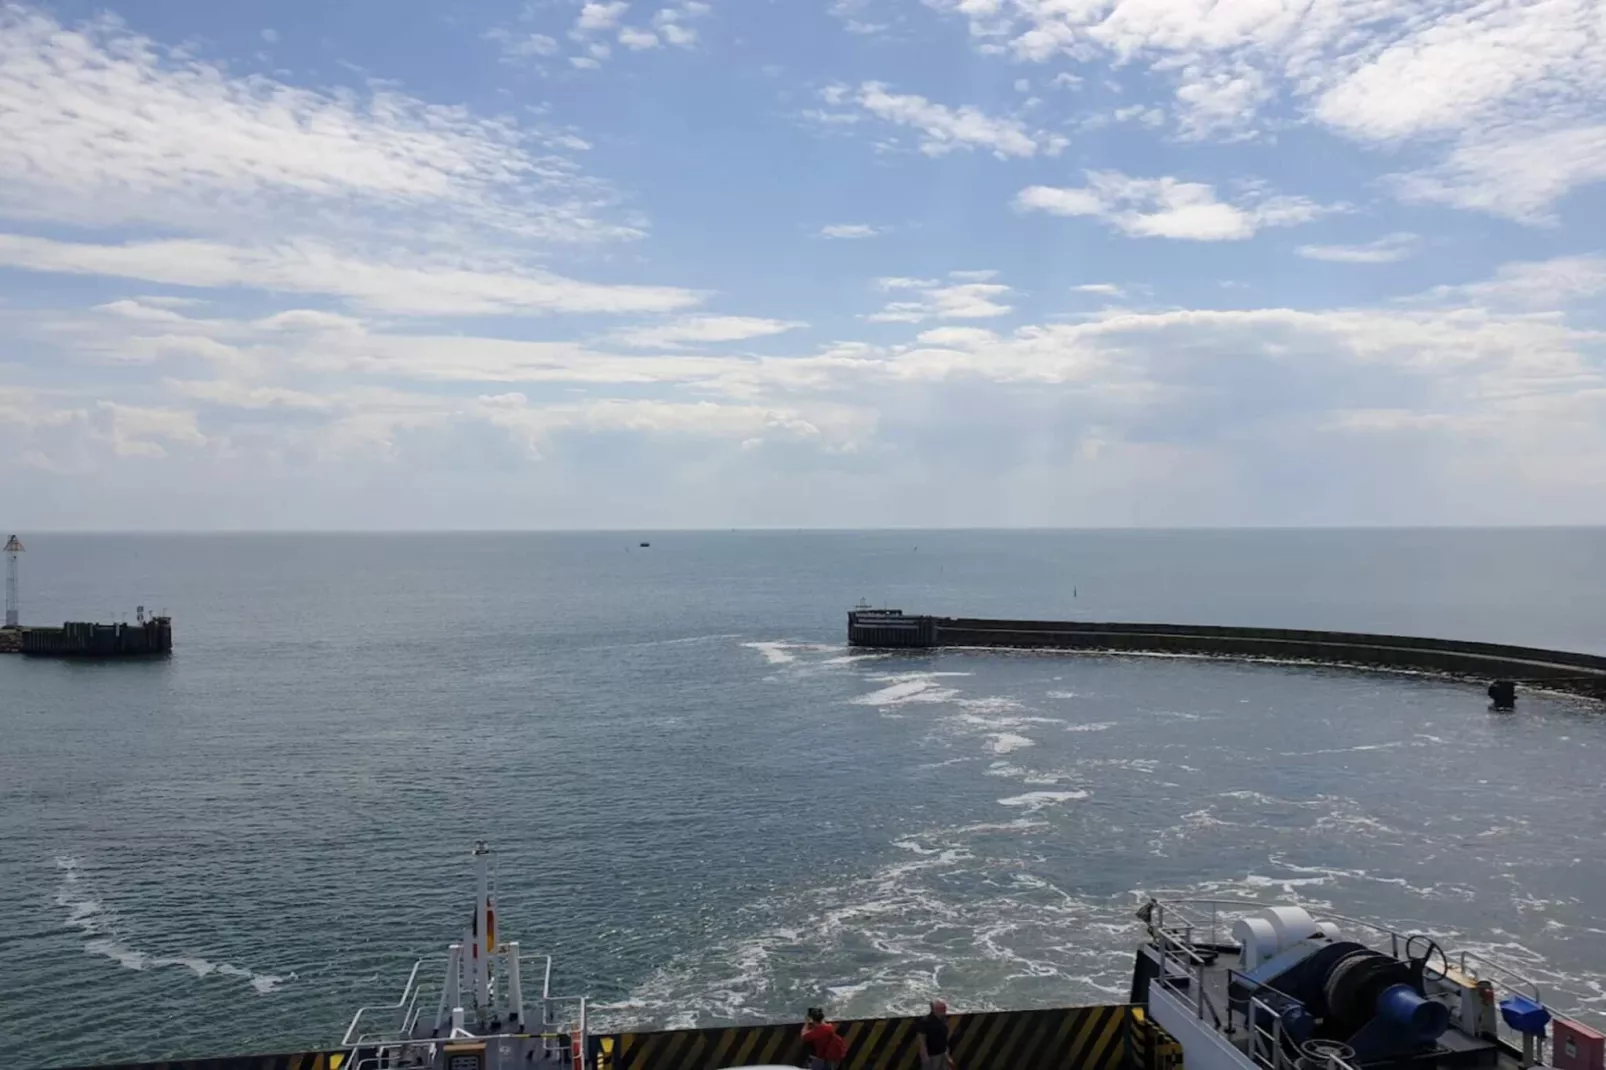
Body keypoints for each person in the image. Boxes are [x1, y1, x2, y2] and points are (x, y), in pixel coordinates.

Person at [916, 998, 952, 1070]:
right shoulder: (925, 1022)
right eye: (941, 1008)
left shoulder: (943, 1020)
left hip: (943, 1053)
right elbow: (922, 1041)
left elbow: (944, 1038)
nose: (944, 1010)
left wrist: (947, 1055)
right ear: (934, 1009)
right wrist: (925, 1056)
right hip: (932, 1055)